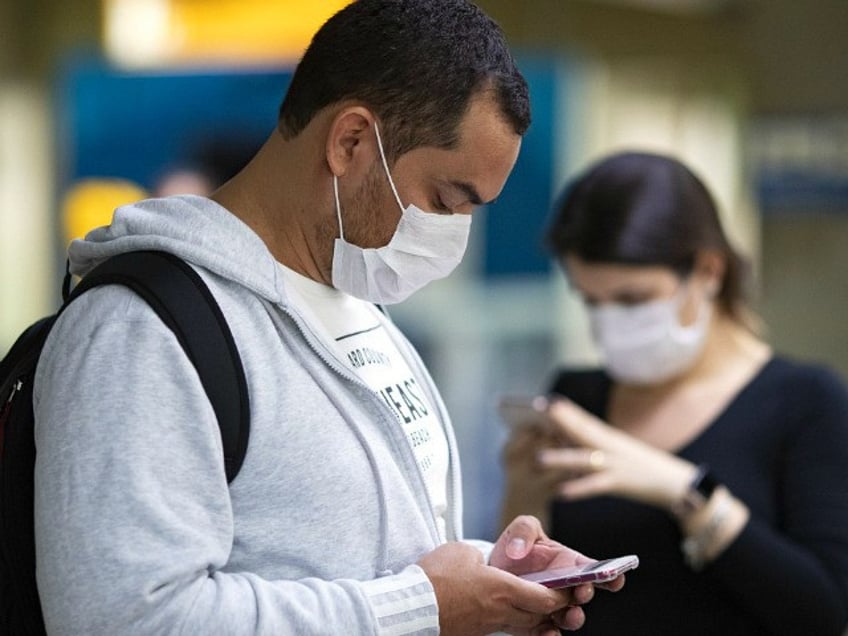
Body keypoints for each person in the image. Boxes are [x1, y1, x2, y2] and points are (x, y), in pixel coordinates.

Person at [33, 2, 626, 634]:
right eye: (446, 199)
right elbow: (123, 618)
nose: (453, 233)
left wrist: (490, 579)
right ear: (350, 142)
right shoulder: (140, 332)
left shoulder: (354, 301)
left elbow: (357, 561)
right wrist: (423, 608)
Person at [500, 151, 848, 635]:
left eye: (631, 299)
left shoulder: (805, 402)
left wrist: (684, 489)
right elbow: (527, 593)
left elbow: (824, 613)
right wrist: (522, 495)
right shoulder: (576, 397)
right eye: (591, 301)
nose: (610, 322)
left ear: (707, 272)